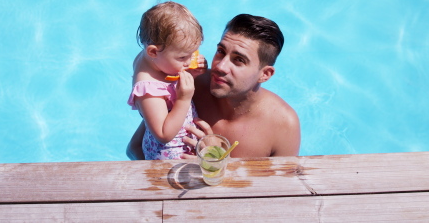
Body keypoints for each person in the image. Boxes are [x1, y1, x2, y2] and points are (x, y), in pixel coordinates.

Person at [126, 14, 300, 160]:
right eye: (221, 51)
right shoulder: (190, 86)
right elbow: (135, 149)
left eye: (239, 60)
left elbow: (279, 193)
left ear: (265, 74)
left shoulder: (283, 125)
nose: (220, 66)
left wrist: (220, 168)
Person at [127, 1, 204, 160]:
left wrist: (192, 69)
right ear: (154, 52)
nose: (190, 61)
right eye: (183, 57)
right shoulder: (148, 89)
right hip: (170, 156)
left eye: (192, 53)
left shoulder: (153, 60)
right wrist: (183, 99)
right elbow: (163, 134)